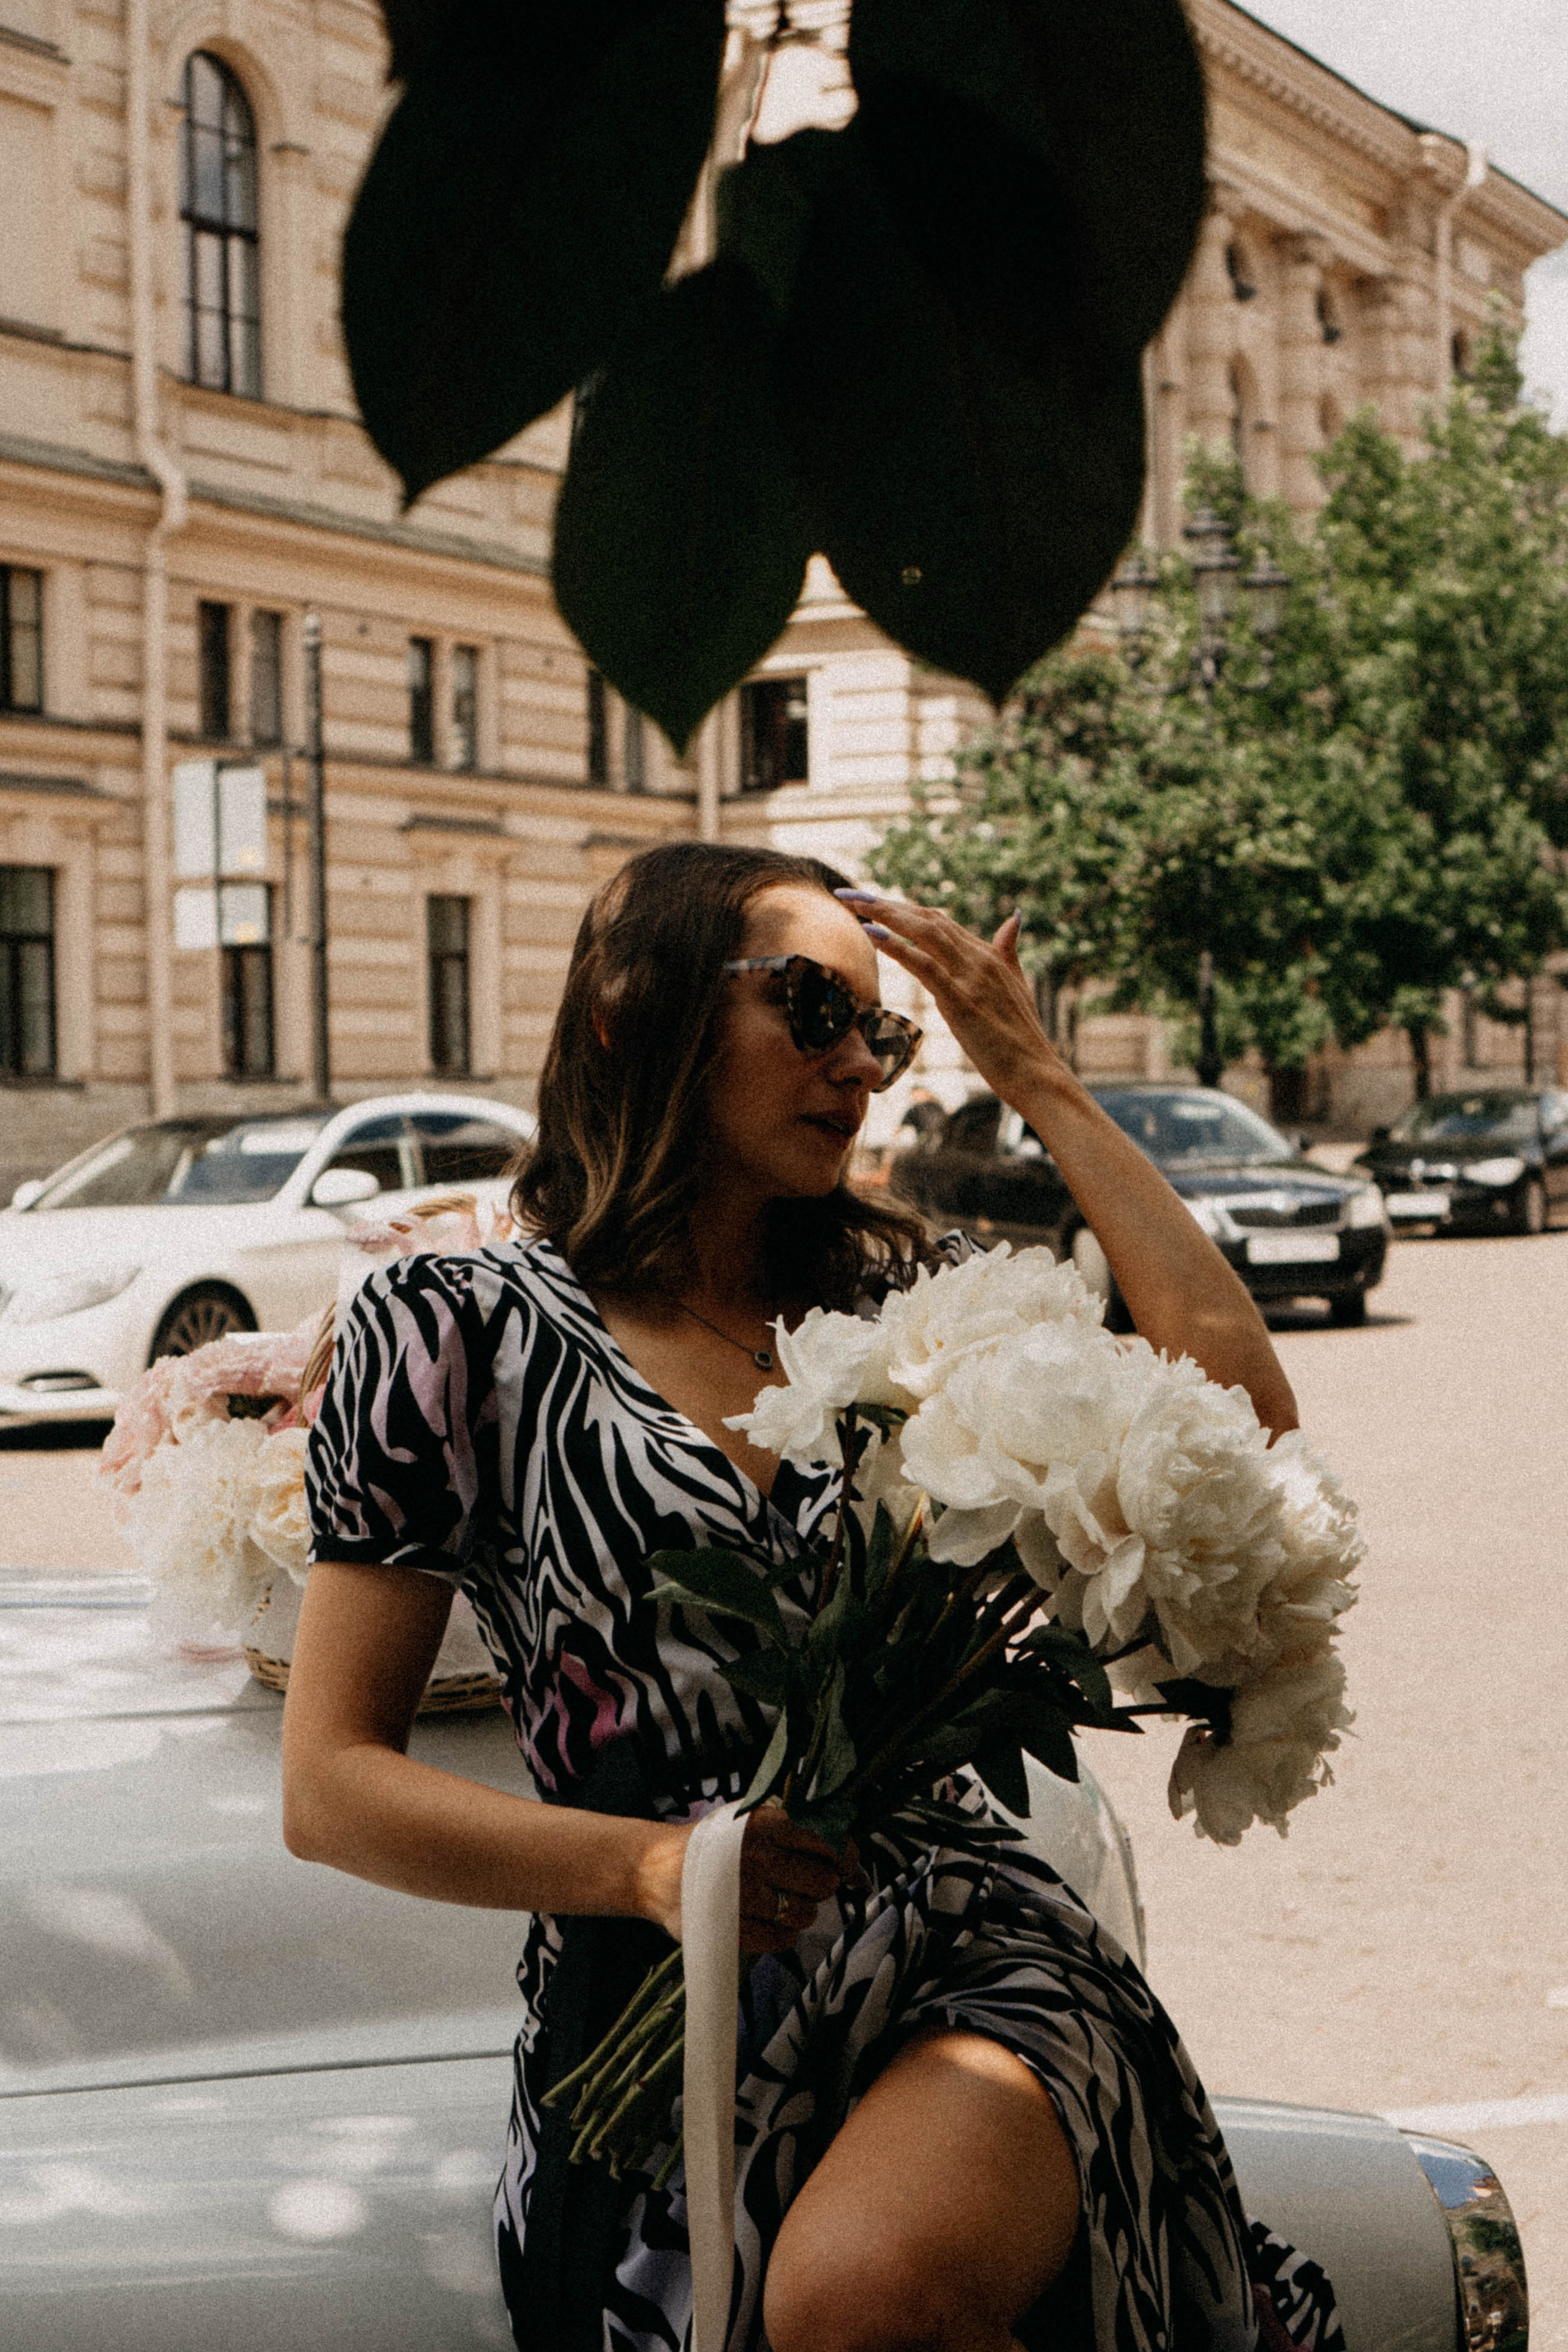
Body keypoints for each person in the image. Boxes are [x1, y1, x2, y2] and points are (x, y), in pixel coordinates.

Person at [282, 841, 1340, 2352]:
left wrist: (1033, 1073)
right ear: (626, 1009)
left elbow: (1244, 1424)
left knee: (860, 2296)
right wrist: (655, 1871)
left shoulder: (917, 1300)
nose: (858, 1066)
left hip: (958, 1951)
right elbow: (330, 1787)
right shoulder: (454, 1328)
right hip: (648, 2015)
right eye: (809, 1009)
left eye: (882, 1031)